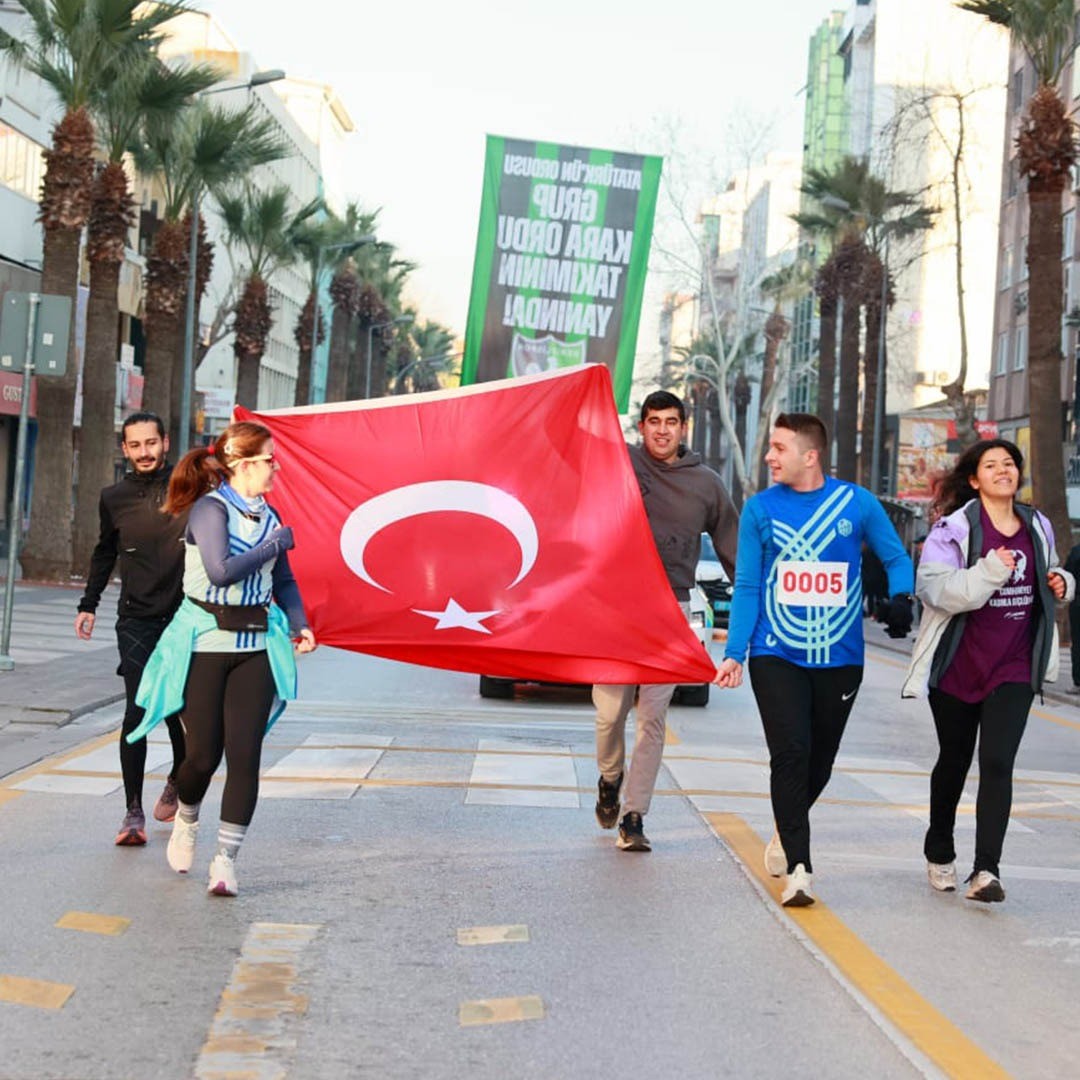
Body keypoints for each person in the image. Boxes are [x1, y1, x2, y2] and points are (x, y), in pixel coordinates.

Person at [715, 413, 913, 906]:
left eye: (778, 448)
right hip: (775, 651)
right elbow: (747, 585)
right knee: (790, 754)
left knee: (820, 762)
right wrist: (735, 652)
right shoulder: (760, 510)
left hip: (840, 657)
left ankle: (787, 826)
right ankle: (800, 870)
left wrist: (902, 597)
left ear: (810, 455)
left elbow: (896, 557)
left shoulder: (856, 503)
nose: (768, 456)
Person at [129, 420, 316, 898]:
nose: (277, 467)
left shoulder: (271, 517)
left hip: (255, 647)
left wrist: (299, 623)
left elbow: (285, 581)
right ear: (245, 463)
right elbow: (220, 571)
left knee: (246, 757)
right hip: (204, 645)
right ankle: (187, 817)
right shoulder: (211, 511)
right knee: (202, 757)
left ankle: (226, 862)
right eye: (270, 459)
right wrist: (275, 545)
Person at [901, 439, 1072, 902]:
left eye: (1010, 464)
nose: (1004, 470)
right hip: (958, 665)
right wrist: (990, 571)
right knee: (954, 761)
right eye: (991, 465)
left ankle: (986, 871)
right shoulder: (952, 529)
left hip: (1014, 665)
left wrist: (1062, 582)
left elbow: (1051, 569)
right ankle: (939, 849)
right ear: (975, 479)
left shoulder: (1038, 525)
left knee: (997, 762)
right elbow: (937, 591)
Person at [593, 391, 738, 852]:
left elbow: (734, 549)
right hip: (617, 610)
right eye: (653, 421)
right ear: (641, 427)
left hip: (671, 614)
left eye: (671, 422)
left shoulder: (707, 484)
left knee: (652, 719)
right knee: (609, 714)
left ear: (683, 428)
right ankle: (610, 779)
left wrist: (761, 604)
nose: (662, 430)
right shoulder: (619, 464)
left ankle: (634, 816)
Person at [75, 411, 187, 846]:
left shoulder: (188, 488)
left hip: (185, 618)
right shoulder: (113, 497)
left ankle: (178, 778)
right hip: (136, 619)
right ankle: (133, 812)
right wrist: (89, 604)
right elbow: (104, 553)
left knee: (180, 709)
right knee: (138, 711)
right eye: (135, 445)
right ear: (125, 448)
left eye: (151, 443)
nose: (144, 452)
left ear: (165, 442)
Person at [1063, 539, 1080, 694]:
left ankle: (1078, 682)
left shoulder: (1076, 552)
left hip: (1078, 604)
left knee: (1078, 643)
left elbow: (1068, 576)